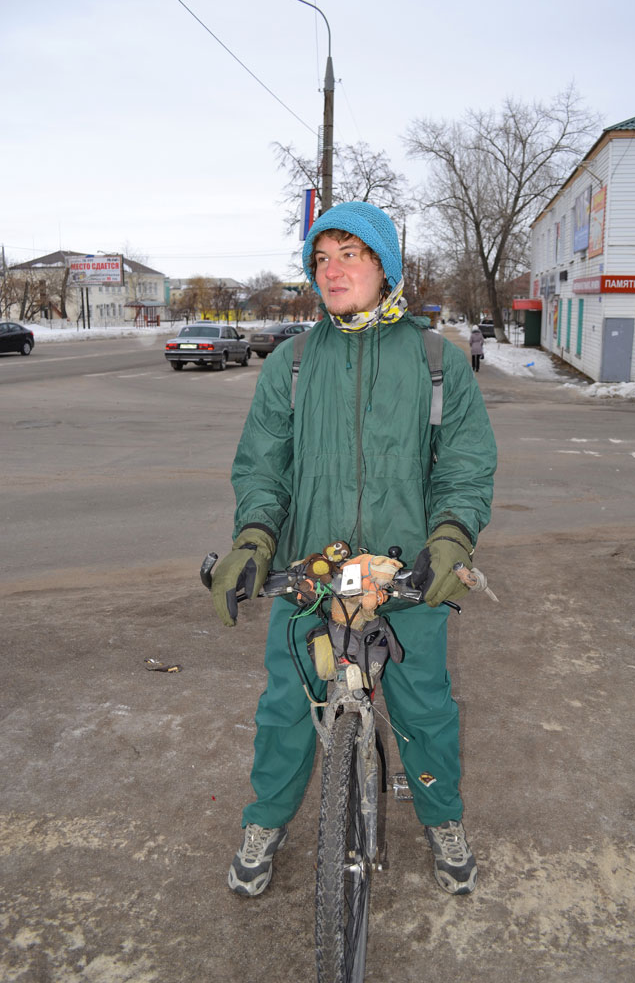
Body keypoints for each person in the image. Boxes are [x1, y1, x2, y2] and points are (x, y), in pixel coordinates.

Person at [211, 201, 497, 899]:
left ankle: (442, 820)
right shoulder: (294, 362)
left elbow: (463, 464)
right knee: (284, 708)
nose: (330, 271)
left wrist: (451, 537)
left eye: (349, 254)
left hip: (407, 574)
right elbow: (263, 468)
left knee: (425, 708)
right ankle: (266, 823)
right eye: (319, 259)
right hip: (314, 575)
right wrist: (253, 536)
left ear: (384, 265)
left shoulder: (436, 362)